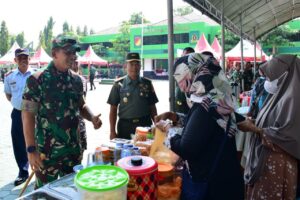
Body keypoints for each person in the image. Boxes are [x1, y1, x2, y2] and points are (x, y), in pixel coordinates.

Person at [155, 53, 244, 200]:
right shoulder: (215, 97)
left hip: (214, 186)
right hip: (224, 176)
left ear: (192, 74)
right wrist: (174, 116)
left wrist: (168, 129)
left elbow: (186, 149)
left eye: (180, 79)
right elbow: (202, 126)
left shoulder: (206, 104)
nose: (180, 86)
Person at [21, 35, 102, 188]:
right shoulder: (37, 79)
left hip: (73, 151)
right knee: (46, 193)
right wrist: (31, 149)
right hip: (47, 153)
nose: (73, 56)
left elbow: (81, 106)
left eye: (74, 52)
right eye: (68, 52)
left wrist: (92, 118)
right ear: (54, 54)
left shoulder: (77, 80)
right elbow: (27, 115)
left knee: (71, 191)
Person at [238, 55, 300, 200]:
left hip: (278, 164)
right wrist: (254, 122)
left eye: (269, 77)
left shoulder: (293, 100)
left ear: (284, 75)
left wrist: (255, 129)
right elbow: (274, 121)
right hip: (266, 159)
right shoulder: (280, 94)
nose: (266, 82)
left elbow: (289, 137)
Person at [107, 52, 158, 139]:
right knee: (125, 152)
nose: (134, 67)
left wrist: (157, 126)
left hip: (145, 125)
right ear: (126, 66)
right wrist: (112, 131)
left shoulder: (147, 84)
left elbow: (152, 107)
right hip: (125, 127)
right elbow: (113, 109)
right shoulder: (118, 84)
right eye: (131, 64)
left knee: (145, 151)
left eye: (137, 64)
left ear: (140, 66)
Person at [3, 48, 32, 186]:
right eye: (20, 58)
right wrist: (18, 104)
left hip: (34, 114)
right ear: (15, 60)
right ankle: (23, 172)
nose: (23, 60)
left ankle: (41, 171)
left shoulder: (36, 75)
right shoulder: (9, 76)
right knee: (19, 142)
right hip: (18, 113)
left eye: (25, 57)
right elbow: (8, 95)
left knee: (38, 140)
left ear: (29, 59)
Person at [71, 60, 87, 154]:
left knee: (80, 150)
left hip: (79, 120)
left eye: (76, 63)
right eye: (73, 62)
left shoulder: (81, 80)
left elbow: (83, 102)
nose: (74, 65)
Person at [175, 47, 195, 114]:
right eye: (185, 55)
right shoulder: (178, 64)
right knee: (181, 115)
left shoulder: (197, 65)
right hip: (181, 96)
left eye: (189, 55)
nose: (186, 57)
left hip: (193, 96)